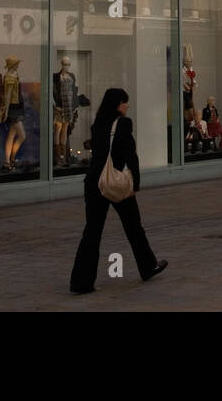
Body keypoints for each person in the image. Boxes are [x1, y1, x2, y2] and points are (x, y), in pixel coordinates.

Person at [69, 88, 166, 294]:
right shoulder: (123, 123)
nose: (127, 105)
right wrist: (135, 184)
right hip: (115, 183)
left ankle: (81, 281)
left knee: (92, 232)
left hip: (94, 183)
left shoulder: (97, 124)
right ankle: (148, 266)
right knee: (133, 227)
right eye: (124, 101)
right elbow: (130, 155)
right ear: (117, 104)